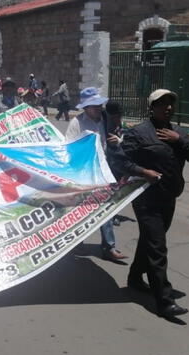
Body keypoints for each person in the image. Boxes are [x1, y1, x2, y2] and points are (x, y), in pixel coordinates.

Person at [121, 89, 189, 318]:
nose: (168, 107)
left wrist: (181, 141)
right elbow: (120, 160)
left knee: (150, 241)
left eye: (170, 104)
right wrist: (142, 171)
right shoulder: (138, 133)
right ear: (152, 107)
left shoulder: (178, 132)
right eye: (162, 103)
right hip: (147, 200)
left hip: (169, 198)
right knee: (158, 247)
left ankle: (135, 278)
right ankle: (164, 302)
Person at [65, 87, 127, 261]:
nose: (98, 108)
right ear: (85, 108)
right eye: (93, 106)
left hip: (104, 169)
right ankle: (76, 243)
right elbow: (68, 147)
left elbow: (119, 133)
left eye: (99, 104)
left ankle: (109, 247)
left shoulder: (106, 119)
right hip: (84, 173)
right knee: (82, 209)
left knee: (105, 208)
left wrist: (118, 140)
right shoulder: (77, 123)